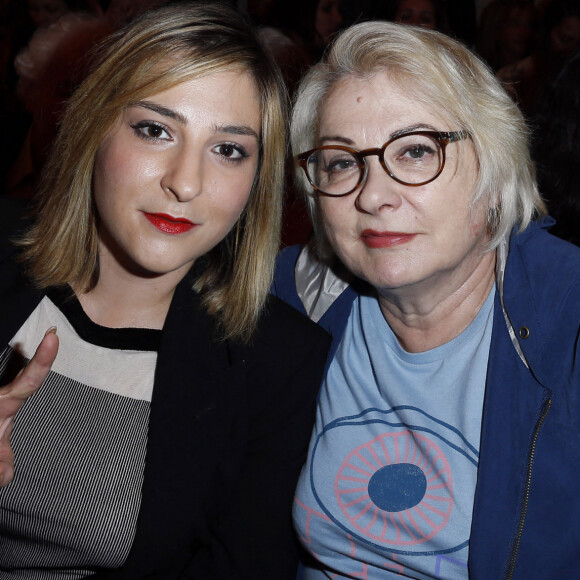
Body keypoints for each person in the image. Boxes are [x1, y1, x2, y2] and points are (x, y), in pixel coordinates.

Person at [0, 3, 330, 578]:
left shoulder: (280, 364)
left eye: (228, 149)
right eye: (155, 130)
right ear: (93, 126)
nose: (185, 181)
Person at [273, 19, 580, 579]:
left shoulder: (569, 321)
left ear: (492, 168)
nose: (373, 195)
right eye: (342, 162)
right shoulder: (289, 299)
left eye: (415, 151)